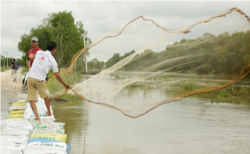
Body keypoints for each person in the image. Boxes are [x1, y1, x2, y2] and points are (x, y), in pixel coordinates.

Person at [27, 41, 71, 121]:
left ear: (46, 48)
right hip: (40, 80)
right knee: (45, 96)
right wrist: (65, 85)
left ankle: (37, 117)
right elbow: (57, 76)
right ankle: (49, 112)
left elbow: (35, 58)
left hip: (30, 77)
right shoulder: (52, 60)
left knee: (31, 99)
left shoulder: (39, 52)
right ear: (54, 50)